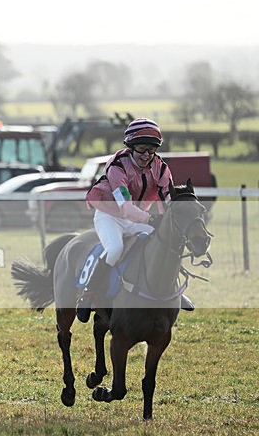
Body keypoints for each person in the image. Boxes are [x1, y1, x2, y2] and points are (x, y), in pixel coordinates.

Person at [76, 117, 194, 322]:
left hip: (137, 218)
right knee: (115, 248)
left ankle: (172, 289)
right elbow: (125, 207)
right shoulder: (117, 166)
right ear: (130, 146)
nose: (147, 155)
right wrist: (150, 219)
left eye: (152, 149)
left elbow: (167, 197)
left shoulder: (161, 167)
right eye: (142, 149)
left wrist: (171, 217)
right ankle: (89, 292)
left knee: (163, 243)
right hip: (110, 216)